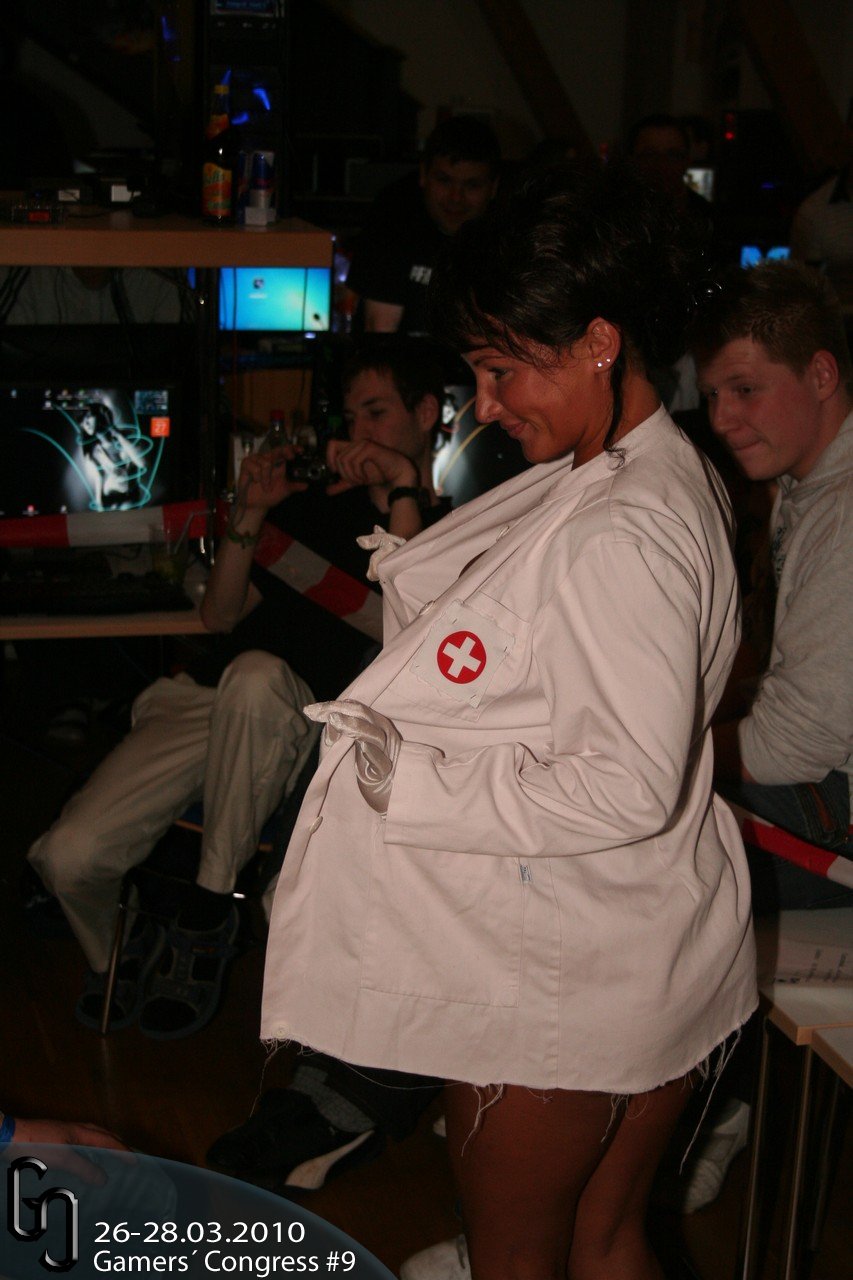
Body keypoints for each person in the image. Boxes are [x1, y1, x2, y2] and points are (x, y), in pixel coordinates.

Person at [260, 162, 758, 1280]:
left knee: (518, 1261)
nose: (484, 403)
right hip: (641, 934)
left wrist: (400, 778)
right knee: (605, 1239)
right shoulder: (647, 467)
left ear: (597, 341)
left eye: (500, 369)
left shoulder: (621, 526)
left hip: (562, 966)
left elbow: (622, 782)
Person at [27, 336, 450, 1042]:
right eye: (352, 417)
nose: (359, 434)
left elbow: (409, 632)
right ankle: (118, 952)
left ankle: (207, 908)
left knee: (256, 678)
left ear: (427, 414)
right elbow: (218, 616)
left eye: (377, 414)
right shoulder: (314, 508)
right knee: (64, 856)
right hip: (209, 699)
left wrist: (402, 485)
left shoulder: (449, 529)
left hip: (308, 719)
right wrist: (250, 512)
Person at [692, 260, 853, 912]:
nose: (721, 419)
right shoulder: (804, 480)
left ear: (821, 375)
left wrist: (653, 755)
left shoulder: (844, 511)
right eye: (711, 395)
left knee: (623, 830)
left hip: (839, 801)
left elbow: (796, 743)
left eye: (744, 390)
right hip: (827, 775)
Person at [345, 115, 500, 337]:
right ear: (423, 175)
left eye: (472, 185)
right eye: (444, 180)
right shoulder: (392, 215)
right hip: (397, 356)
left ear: (493, 188)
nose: (456, 197)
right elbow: (380, 332)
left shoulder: (509, 233)